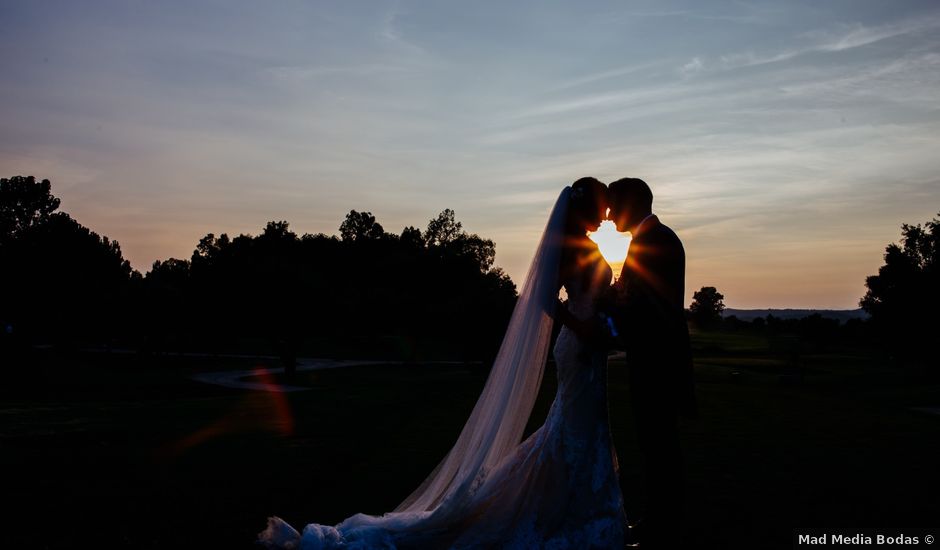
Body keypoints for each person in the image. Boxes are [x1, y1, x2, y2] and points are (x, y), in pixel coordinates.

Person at [259, 178, 626, 549]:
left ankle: (578, 505)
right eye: (603, 208)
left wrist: (608, 316)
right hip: (579, 349)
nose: (607, 215)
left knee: (578, 426)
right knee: (575, 428)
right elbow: (547, 301)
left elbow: (590, 301)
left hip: (586, 348)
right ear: (585, 207)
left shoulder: (586, 245)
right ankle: (575, 510)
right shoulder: (569, 248)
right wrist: (583, 328)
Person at [606, 177, 696, 550]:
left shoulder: (656, 242)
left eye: (614, 206)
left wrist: (607, 317)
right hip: (654, 359)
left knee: (659, 446)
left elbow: (646, 307)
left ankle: (662, 527)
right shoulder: (653, 238)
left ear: (633, 203)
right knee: (655, 446)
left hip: (657, 361)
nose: (609, 215)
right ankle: (658, 521)